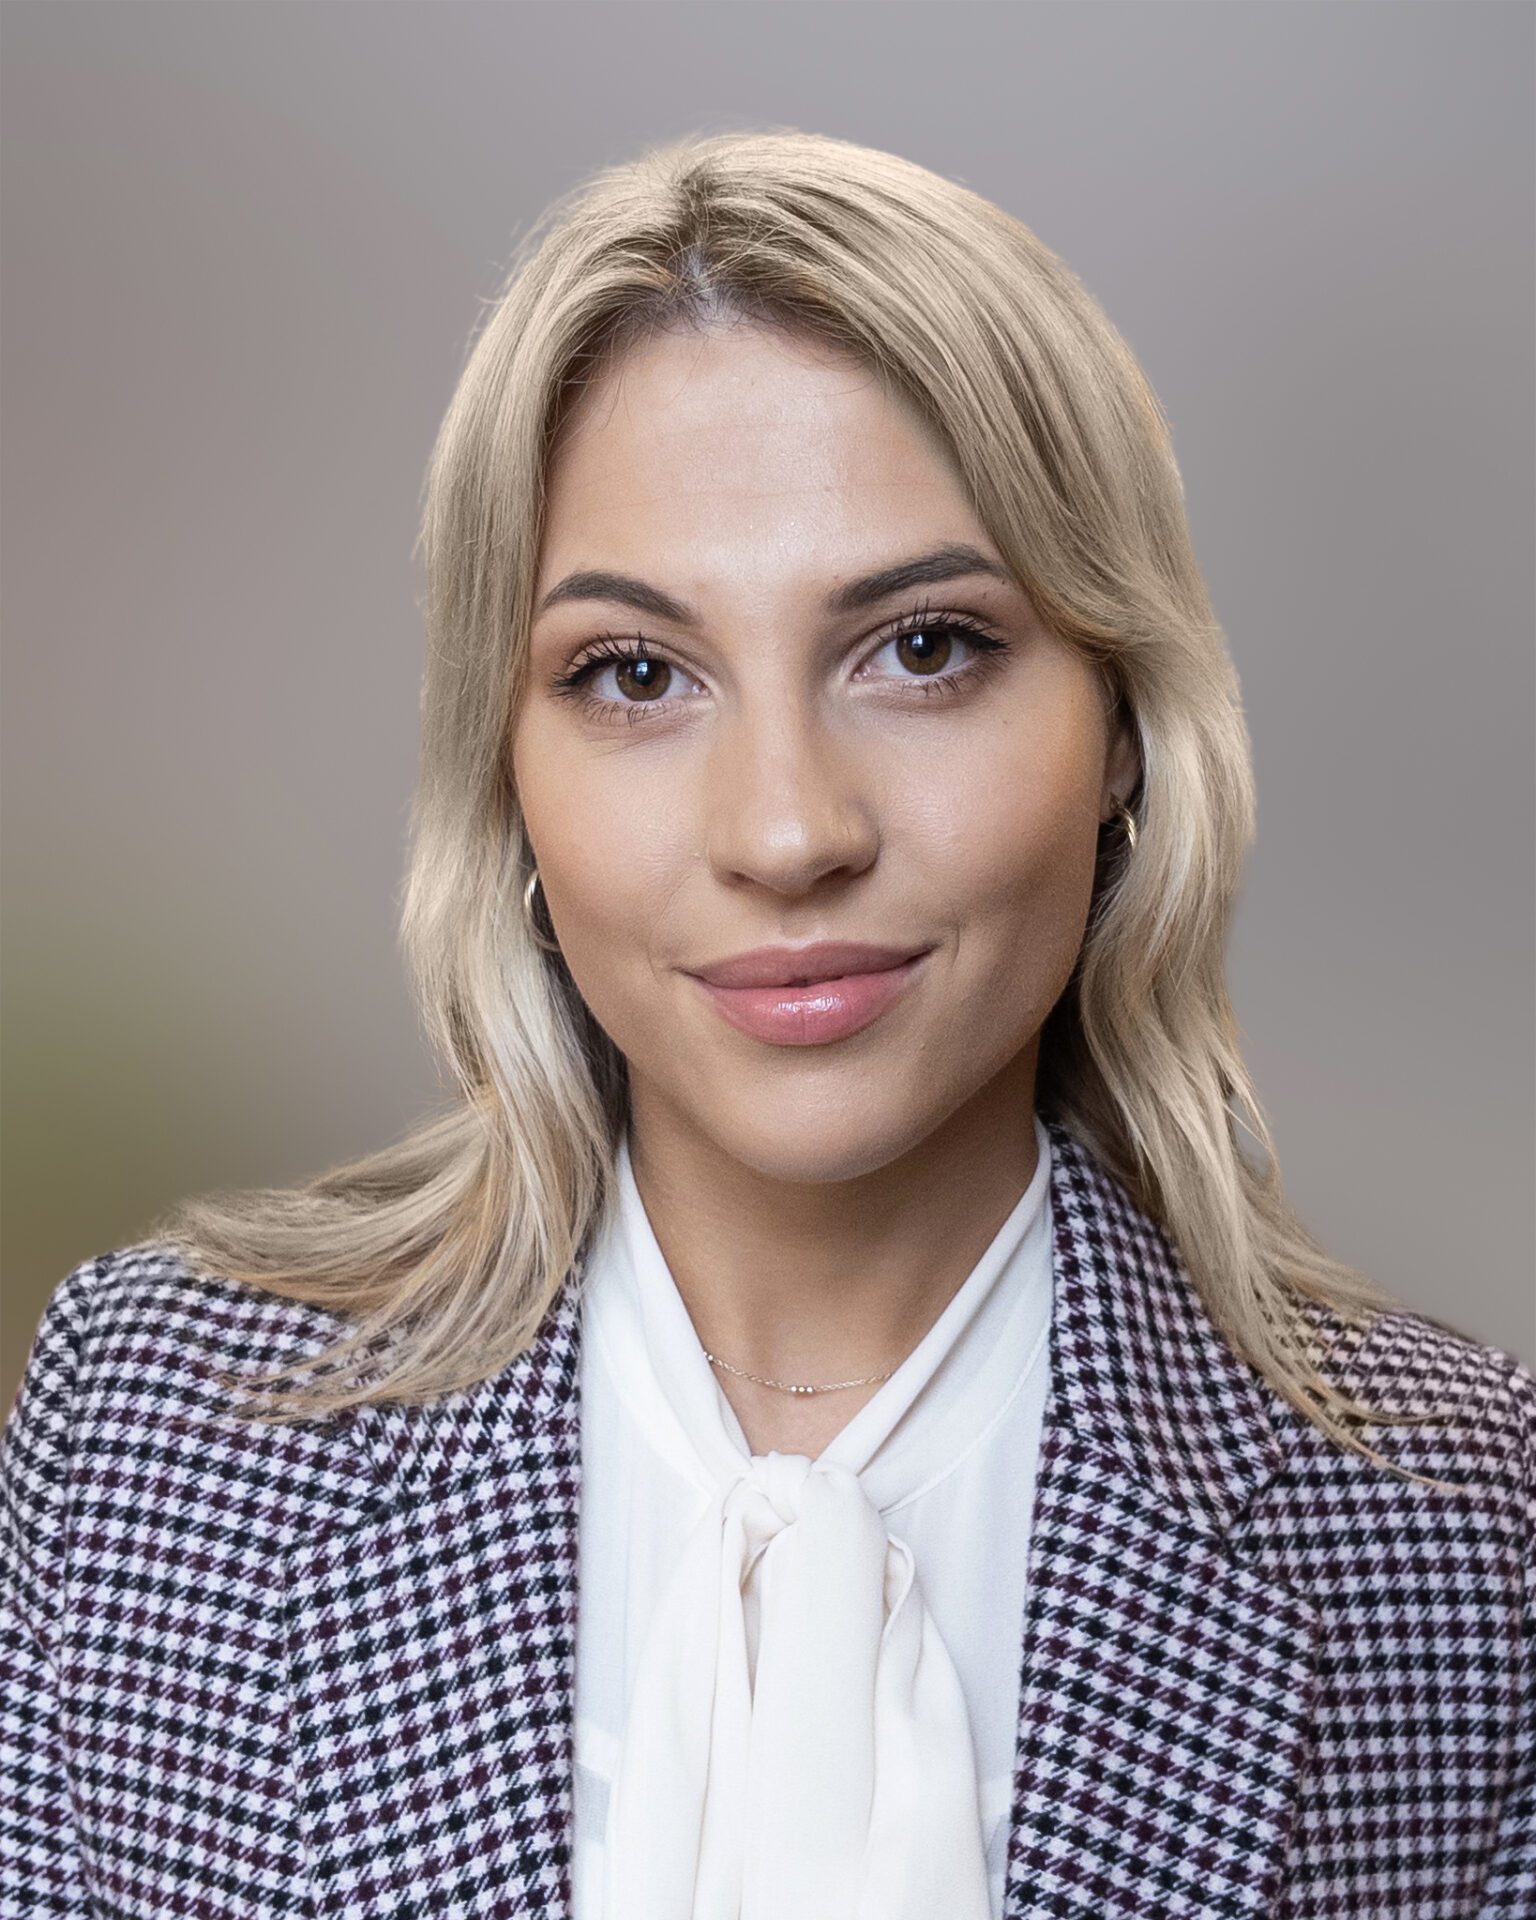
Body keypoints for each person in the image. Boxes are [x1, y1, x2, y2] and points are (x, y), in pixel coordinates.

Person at [2, 128, 1531, 1920]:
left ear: (1123, 724)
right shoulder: (153, 1439)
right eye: (634, 676)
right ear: (506, 773)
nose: (789, 831)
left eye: (928, 647)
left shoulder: (1458, 1535)